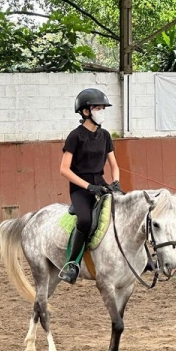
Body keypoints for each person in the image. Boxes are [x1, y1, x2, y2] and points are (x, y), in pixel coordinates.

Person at [58, 88, 122, 284]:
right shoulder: (75, 136)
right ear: (86, 111)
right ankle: (72, 265)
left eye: (103, 108)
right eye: (97, 108)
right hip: (81, 188)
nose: (101, 111)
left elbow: (114, 165)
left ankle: (143, 260)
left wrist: (116, 182)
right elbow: (64, 169)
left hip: (101, 183)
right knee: (85, 221)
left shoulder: (105, 136)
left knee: (126, 210)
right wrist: (88, 187)